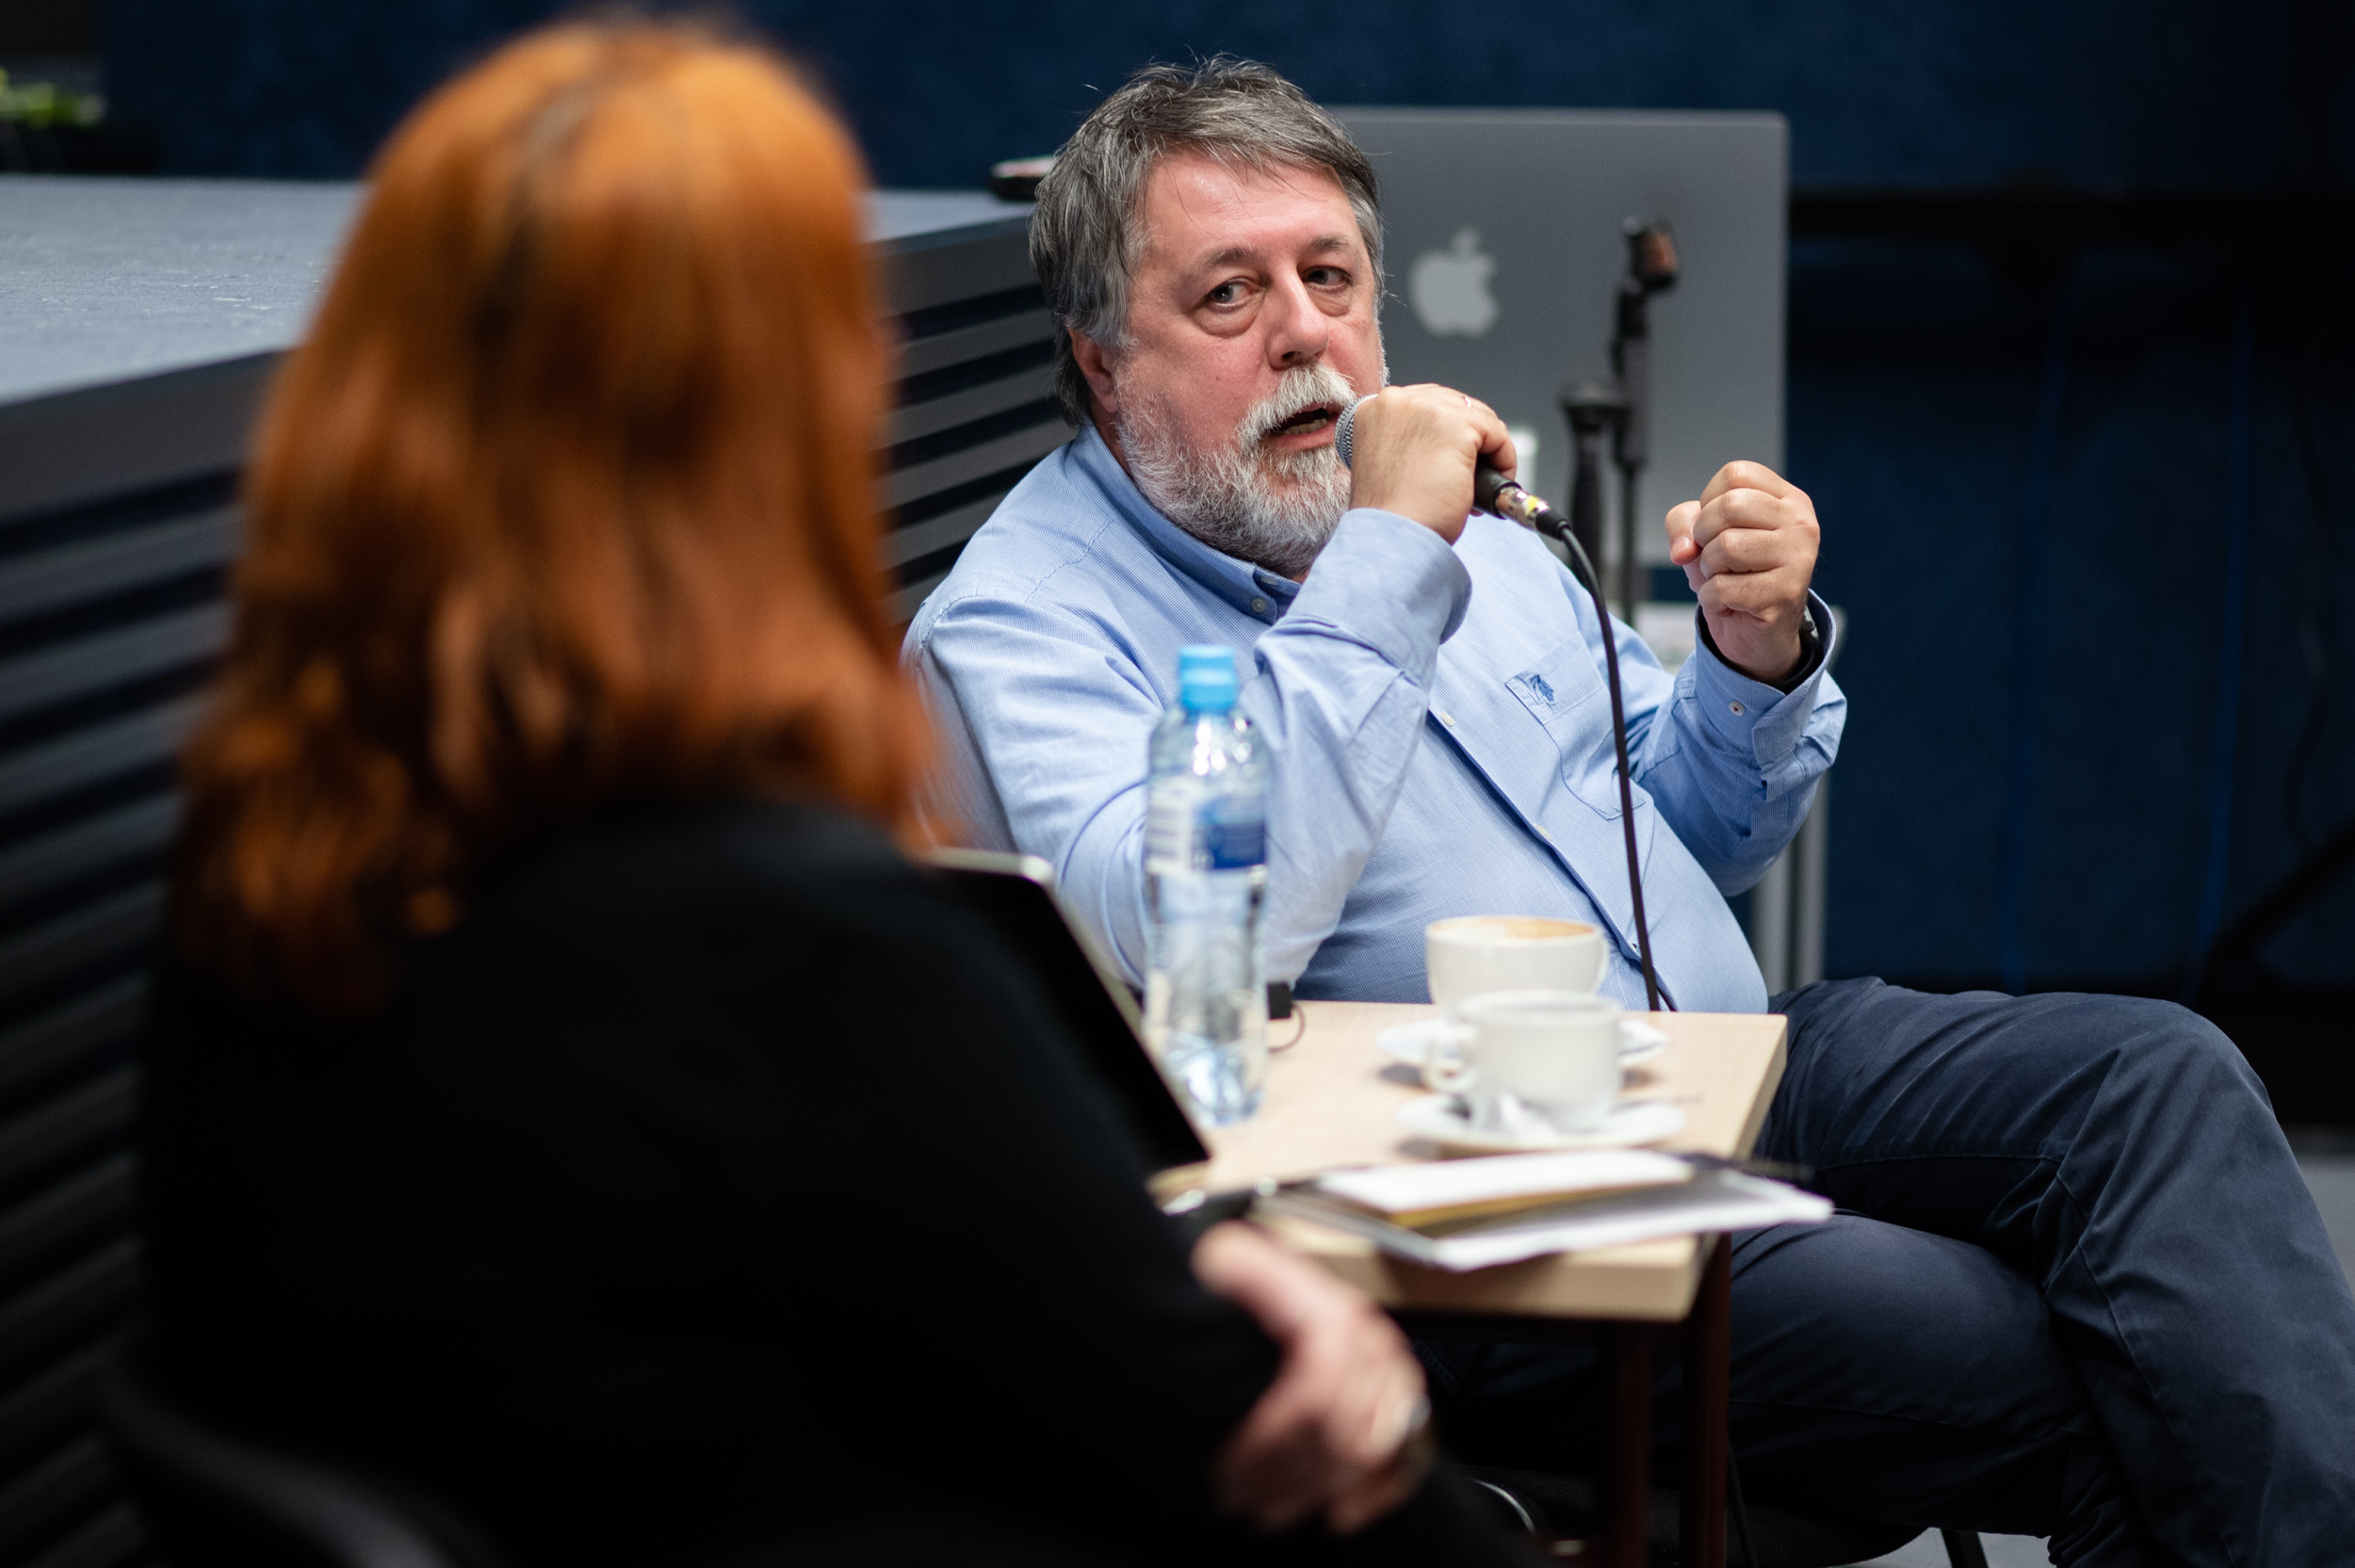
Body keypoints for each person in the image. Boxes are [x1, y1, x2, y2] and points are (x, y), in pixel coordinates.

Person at [904, 57, 2355, 1567]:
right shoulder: (1024, 624)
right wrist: (1387, 555)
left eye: (1330, 278)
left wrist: (1749, 658)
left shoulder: (1468, 523)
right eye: (1228, 296)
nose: (1305, 336)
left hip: (1722, 1057)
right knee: (2124, 1376)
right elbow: (1189, 941)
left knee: (2161, 1078)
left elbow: (1691, 830)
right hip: (1475, 1206)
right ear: (1100, 363)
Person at [139, 24, 1541, 1568]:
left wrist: (1187, 1265)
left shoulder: (264, 868)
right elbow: (1258, 1446)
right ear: (781, 419)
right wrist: (1334, 1383)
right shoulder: (788, 932)